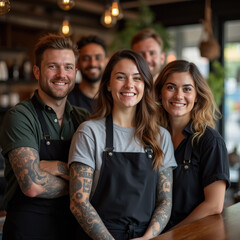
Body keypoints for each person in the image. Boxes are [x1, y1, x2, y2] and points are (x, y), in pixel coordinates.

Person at [68, 49, 177, 240]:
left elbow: (165, 201)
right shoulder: (89, 132)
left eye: (137, 78)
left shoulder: (161, 136)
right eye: (121, 77)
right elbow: (79, 202)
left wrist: (147, 238)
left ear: (145, 85)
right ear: (108, 84)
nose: (129, 85)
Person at [0, 33, 89, 240]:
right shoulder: (20, 116)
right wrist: (82, 183)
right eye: (52, 66)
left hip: (72, 229)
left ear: (75, 72)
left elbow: (102, 175)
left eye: (68, 67)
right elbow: (33, 185)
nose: (61, 74)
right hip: (29, 230)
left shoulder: (82, 118)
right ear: (37, 71)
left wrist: (53, 166)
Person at [154, 60, 230, 231]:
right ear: (160, 92)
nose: (178, 96)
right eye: (171, 87)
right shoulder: (152, 137)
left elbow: (214, 205)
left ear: (197, 96)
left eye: (187, 89)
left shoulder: (210, 141)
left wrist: (171, 234)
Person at [67, 35, 108, 114]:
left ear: (107, 61)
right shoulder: (67, 99)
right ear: (77, 64)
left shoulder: (114, 98)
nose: (92, 63)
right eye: (86, 58)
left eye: (98, 58)